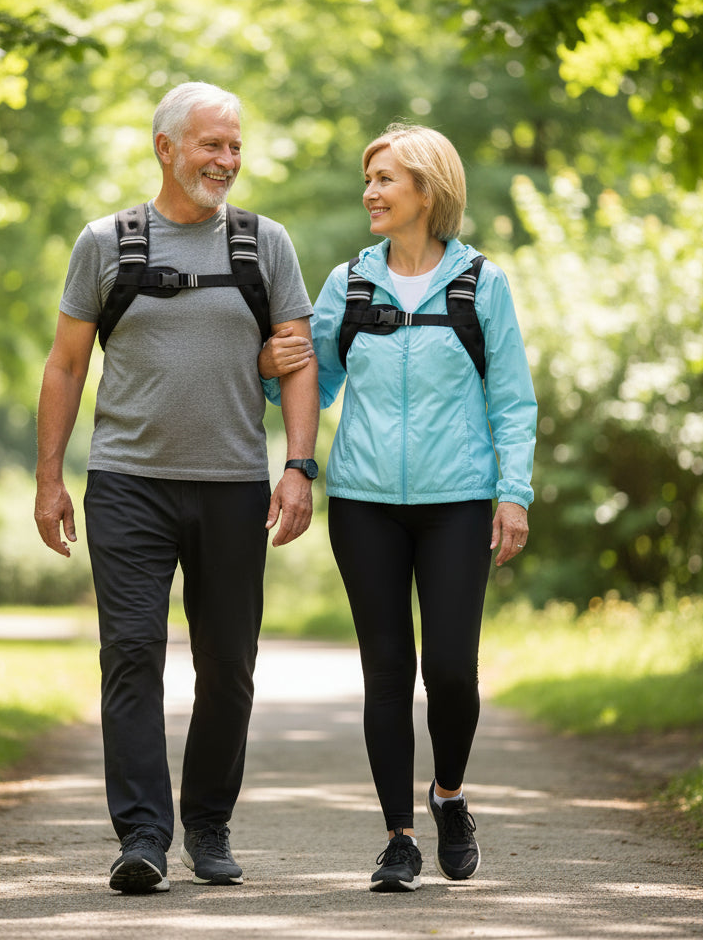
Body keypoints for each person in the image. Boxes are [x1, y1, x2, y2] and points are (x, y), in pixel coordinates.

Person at [35, 82, 318, 895]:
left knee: (228, 664)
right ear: (167, 148)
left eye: (234, 147)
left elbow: (295, 361)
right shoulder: (106, 242)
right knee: (131, 654)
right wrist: (51, 479)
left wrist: (299, 467)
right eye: (211, 145)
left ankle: (208, 825)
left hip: (233, 485)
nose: (226, 161)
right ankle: (144, 836)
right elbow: (65, 365)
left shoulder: (265, 245)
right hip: (126, 484)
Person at [260, 123, 536, 892]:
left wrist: (513, 492)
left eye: (385, 179)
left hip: (458, 502)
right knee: (387, 671)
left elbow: (512, 399)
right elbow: (306, 377)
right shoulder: (348, 283)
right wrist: (264, 371)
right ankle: (399, 840)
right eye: (368, 179)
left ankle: (448, 795)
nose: (369, 192)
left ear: (428, 189)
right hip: (364, 504)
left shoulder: (481, 284)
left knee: (449, 670)